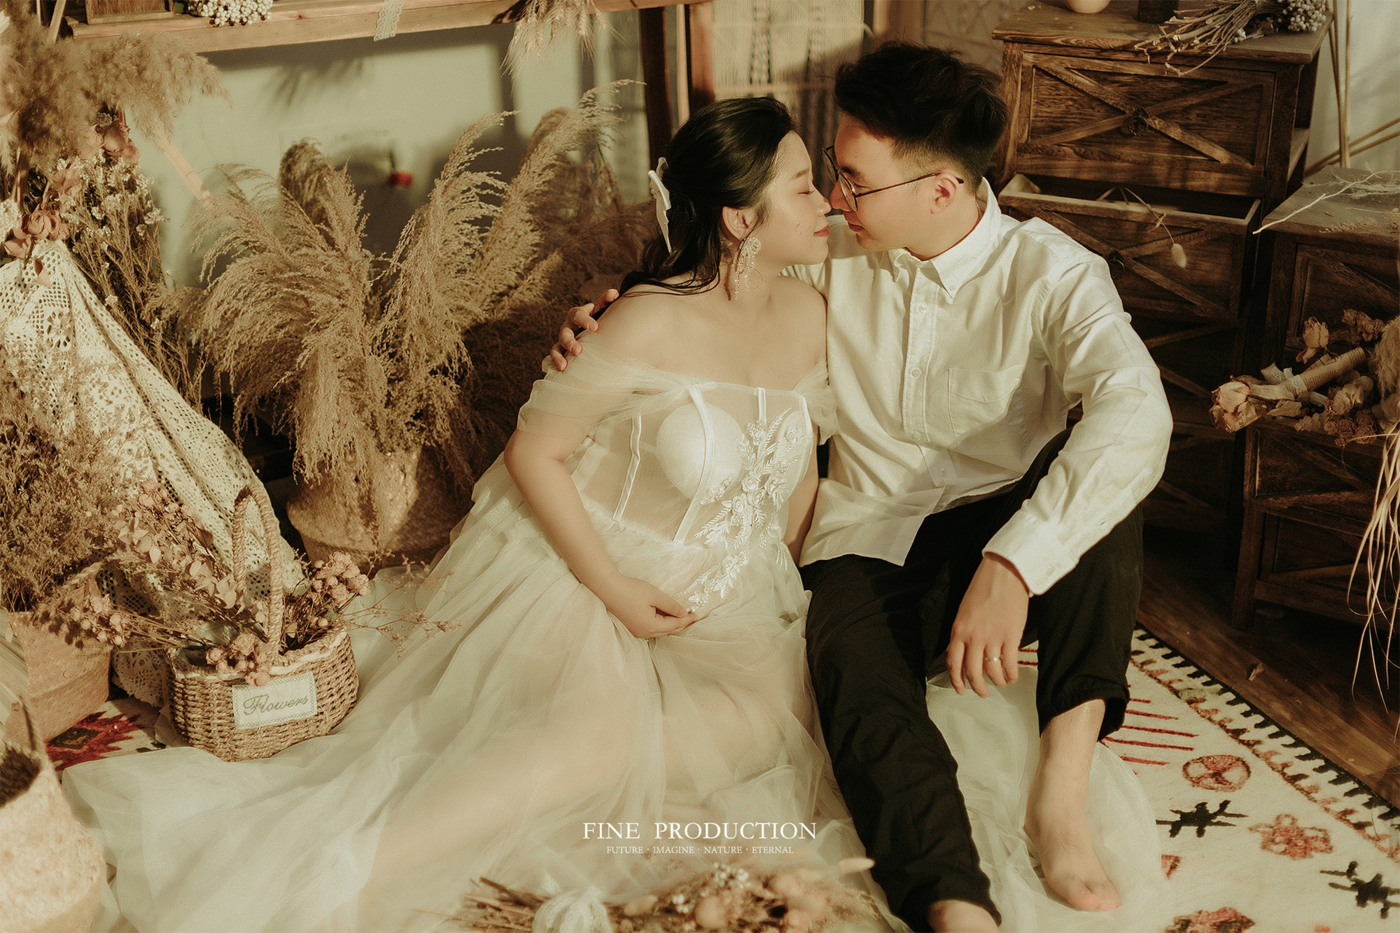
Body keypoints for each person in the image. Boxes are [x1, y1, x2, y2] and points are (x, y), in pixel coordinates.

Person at [62, 97, 893, 932]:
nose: (826, 202)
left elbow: (795, 471)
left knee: (755, 744)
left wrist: (783, 580)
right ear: (740, 219)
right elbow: (536, 454)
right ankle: (335, 868)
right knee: (594, 743)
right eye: (802, 187)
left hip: (733, 600)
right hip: (588, 573)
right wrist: (616, 590)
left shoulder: (812, 314)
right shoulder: (644, 321)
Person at [554, 43, 1174, 933]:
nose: (836, 199)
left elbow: (1138, 409)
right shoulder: (831, 251)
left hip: (1005, 542)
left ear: (942, 190)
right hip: (871, 535)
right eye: (832, 174)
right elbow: (708, 283)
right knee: (850, 677)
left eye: (855, 181)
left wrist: (1014, 563)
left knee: (1111, 478)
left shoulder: (1052, 273)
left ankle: (1061, 793)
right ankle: (953, 902)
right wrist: (606, 304)